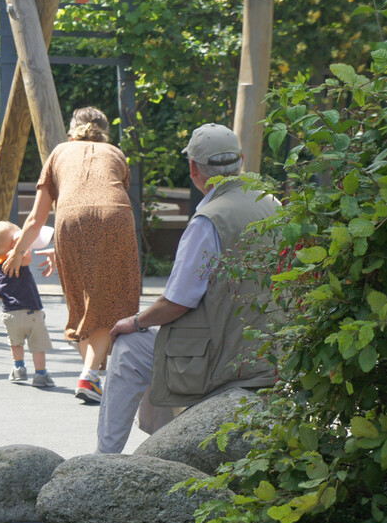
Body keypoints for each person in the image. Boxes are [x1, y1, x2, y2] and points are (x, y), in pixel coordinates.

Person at [96, 123, 280, 454]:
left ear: (194, 169)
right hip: (269, 350)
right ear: (240, 160)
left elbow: (177, 302)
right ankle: (167, 446)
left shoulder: (209, 219)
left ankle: (106, 455)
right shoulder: (271, 202)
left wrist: (135, 321)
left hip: (223, 358)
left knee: (131, 344)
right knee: (162, 339)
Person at [3, 107, 140, 403]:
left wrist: (18, 251)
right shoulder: (115, 153)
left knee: (83, 300)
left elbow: (37, 219)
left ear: (71, 131)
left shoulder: (59, 152)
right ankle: (90, 376)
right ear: (105, 132)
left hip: (70, 221)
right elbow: (102, 201)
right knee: (109, 297)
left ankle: (89, 375)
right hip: (117, 217)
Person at [0, 220, 55, 388]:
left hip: (10, 314)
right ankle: (40, 374)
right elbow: (27, 257)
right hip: (31, 311)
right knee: (37, 345)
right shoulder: (19, 258)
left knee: (16, 343)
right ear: (15, 245)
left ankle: (18, 369)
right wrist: (22, 246)